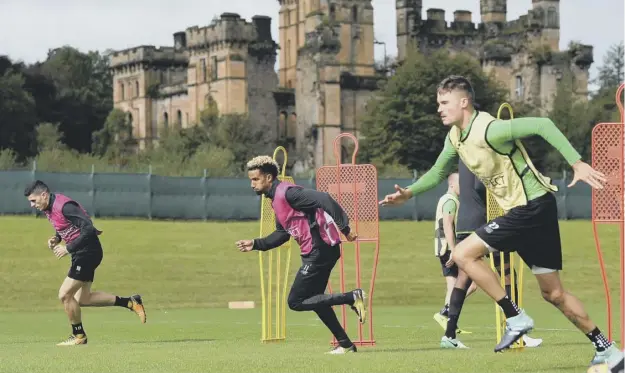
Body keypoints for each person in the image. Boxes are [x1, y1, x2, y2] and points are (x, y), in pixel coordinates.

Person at [379, 75, 620, 364]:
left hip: (530, 207)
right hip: (534, 210)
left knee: (462, 253)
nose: (439, 109)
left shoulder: (489, 129)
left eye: (444, 103)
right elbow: (438, 171)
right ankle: (607, 349)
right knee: (553, 293)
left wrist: (577, 162)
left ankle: (515, 317)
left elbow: (543, 125)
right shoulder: (455, 137)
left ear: (463, 102)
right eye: (438, 103)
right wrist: (409, 193)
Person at [236, 155, 366, 354]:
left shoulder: (289, 193)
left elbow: (325, 198)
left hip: (320, 250)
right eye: (250, 180)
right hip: (315, 251)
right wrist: (255, 244)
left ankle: (352, 297)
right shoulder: (276, 200)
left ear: (269, 178)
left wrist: (345, 228)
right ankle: (345, 344)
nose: (252, 184)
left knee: (295, 302)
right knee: (315, 300)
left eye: (256, 179)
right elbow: (282, 234)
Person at [24, 180, 146, 346]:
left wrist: (67, 248)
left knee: (65, 294)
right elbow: (66, 224)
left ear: (43, 195)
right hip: (82, 253)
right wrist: (57, 238)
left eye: (33, 200)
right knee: (83, 298)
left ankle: (79, 335)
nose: (32, 205)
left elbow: (88, 228)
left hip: (88, 252)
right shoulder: (49, 207)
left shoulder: (64, 206)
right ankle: (131, 302)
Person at [438, 159, 543, 349]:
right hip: (485, 223)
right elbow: (482, 187)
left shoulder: (465, 156)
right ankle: (516, 328)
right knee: (507, 274)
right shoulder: (481, 156)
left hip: (465, 224)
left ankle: (449, 334)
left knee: (464, 278)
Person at [432, 172, 477, 336]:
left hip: (442, 247)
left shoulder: (447, 199)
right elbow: (448, 226)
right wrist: (453, 250)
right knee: (468, 283)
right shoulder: (450, 201)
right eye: (460, 183)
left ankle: (448, 317)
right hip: (448, 248)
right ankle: (447, 314)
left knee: (455, 285)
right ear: (452, 184)